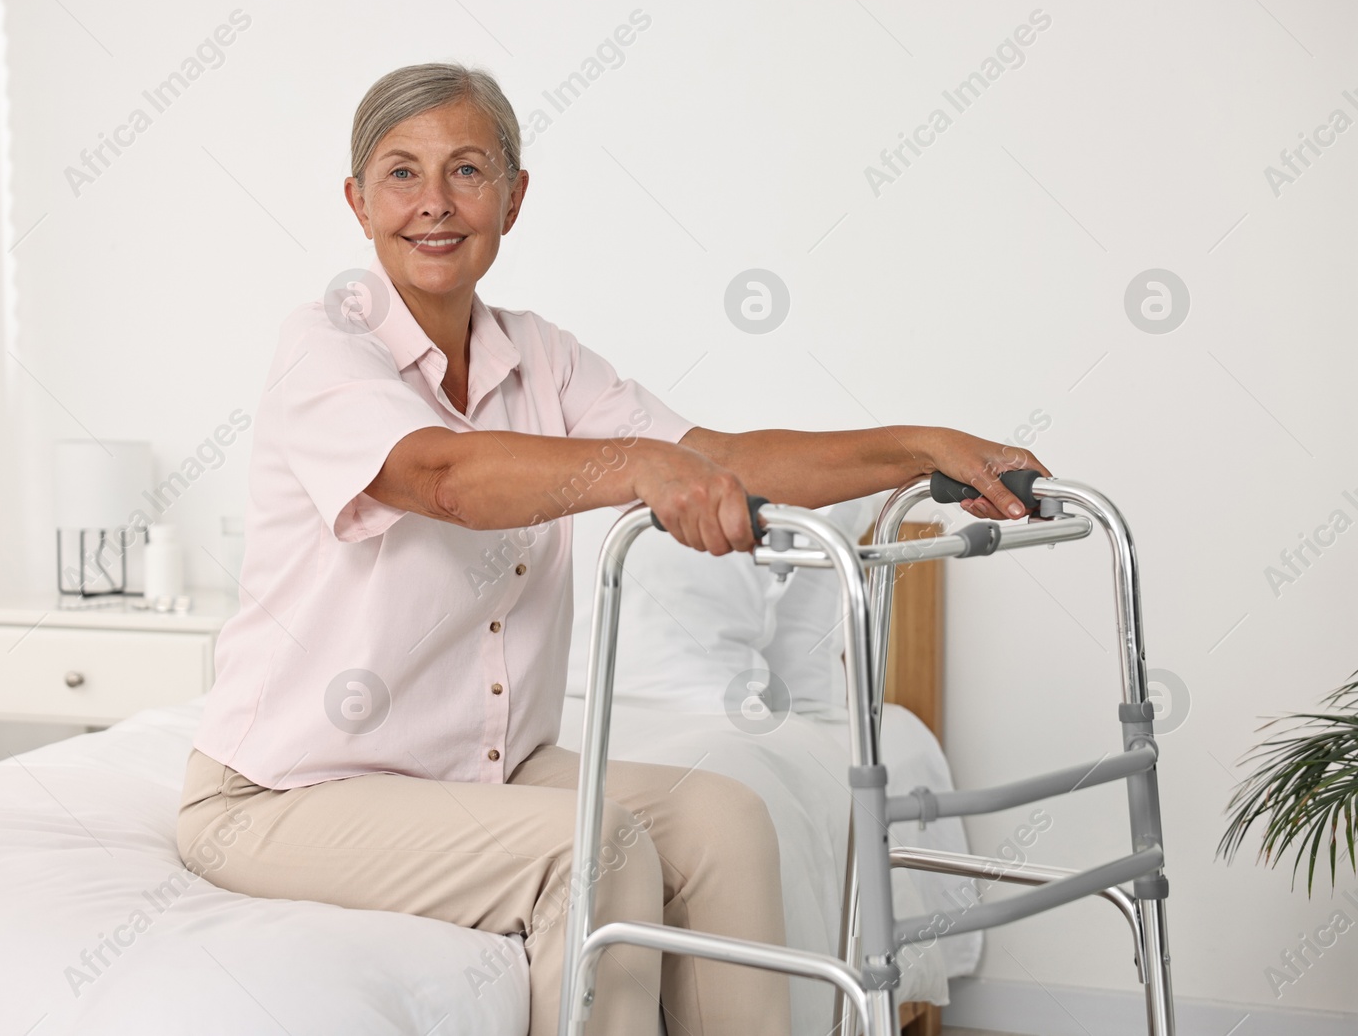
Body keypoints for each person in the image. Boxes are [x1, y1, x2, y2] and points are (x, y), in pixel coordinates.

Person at [177, 61, 1047, 1036]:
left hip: (472, 771)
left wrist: (912, 448)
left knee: (723, 818)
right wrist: (635, 464)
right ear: (356, 201)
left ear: (513, 195)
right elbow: (442, 477)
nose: (433, 203)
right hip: (283, 793)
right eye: (400, 173)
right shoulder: (325, 344)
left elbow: (715, 458)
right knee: (598, 846)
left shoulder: (537, 354)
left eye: (466, 171)